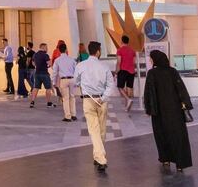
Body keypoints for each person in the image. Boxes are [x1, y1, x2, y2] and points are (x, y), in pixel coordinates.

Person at [144, 50, 193, 172]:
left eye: (151, 59)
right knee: (177, 136)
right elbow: (181, 89)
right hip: (175, 111)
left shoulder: (152, 73)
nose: (150, 61)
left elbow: (148, 93)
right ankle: (180, 163)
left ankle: (165, 158)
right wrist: (186, 104)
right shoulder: (172, 72)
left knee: (161, 135)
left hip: (159, 112)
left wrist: (149, 109)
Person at [74, 41, 115, 173]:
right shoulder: (105, 67)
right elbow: (110, 85)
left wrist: (83, 83)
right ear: (98, 52)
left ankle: (98, 156)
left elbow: (76, 81)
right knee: (101, 129)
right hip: (101, 100)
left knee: (94, 130)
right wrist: (103, 98)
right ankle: (101, 158)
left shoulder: (80, 65)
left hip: (88, 100)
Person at [51, 43, 78, 122]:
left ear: (59, 50)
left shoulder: (57, 60)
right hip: (72, 79)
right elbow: (76, 70)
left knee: (65, 98)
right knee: (72, 97)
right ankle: (73, 115)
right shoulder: (71, 59)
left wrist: (53, 82)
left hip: (63, 80)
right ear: (66, 49)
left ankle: (68, 116)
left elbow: (55, 72)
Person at [29, 43, 56, 108]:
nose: (47, 49)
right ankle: (49, 103)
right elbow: (50, 63)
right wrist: (49, 65)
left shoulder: (35, 54)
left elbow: (33, 63)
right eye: (46, 47)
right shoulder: (45, 55)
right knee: (48, 88)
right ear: (43, 47)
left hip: (37, 73)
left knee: (36, 88)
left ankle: (32, 102)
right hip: (44, 74)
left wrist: (38, 65)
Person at [116, 35, 137, 112]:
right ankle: (127, 105)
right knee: (129, 88)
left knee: (120, 87)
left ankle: (128, 100)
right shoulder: (132, 51)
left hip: (123, 70)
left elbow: (119, 62)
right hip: (131, 71)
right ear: (128, 42)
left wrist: (116, 71)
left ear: (121, 41)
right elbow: (134, 62)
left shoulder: (120, 50)